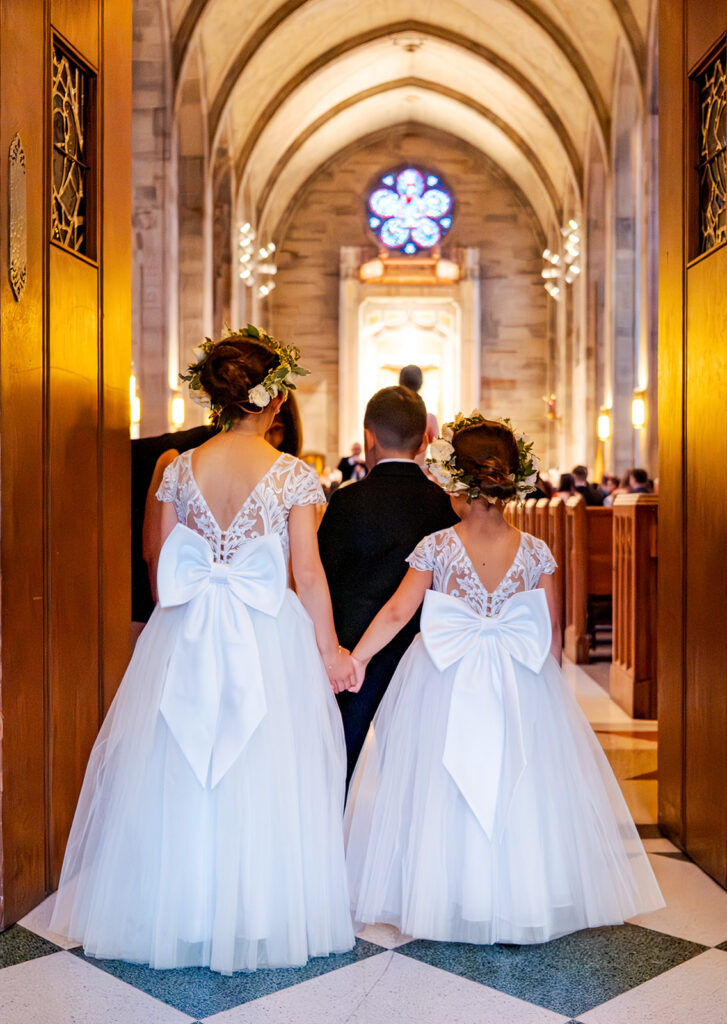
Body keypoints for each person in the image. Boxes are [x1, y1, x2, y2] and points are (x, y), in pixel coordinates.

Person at [51, 327, 357, 973]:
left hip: (185, 625)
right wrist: (329, 651)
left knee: (179, 764)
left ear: (216, 396)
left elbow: (159, 559)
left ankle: (180, 908)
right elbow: (307, 573)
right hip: (265, 629)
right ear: (273, 399)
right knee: (263, 764)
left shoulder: (175, 469)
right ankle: (256, 911)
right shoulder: (295, 477)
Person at [344, 416, 664, 944]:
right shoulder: (536, 551)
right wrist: (549, 693)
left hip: (442, 677)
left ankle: (446, 889)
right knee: (518, 778)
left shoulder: (437, 546)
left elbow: (400, 611)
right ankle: (521, 890)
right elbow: (550, 632)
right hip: (518, 676)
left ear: (453, 482)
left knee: (440, 779)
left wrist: (356, 658)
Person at [318, 386, 458, 783]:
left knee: (338, 762)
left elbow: (321, 581)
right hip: (424, 657)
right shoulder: (444, 505)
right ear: (425, 440)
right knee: (415, 773)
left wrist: (333, 652)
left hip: (349, 661)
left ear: (369, 437)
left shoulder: (346, 503)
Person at [399, 363, 438, 443]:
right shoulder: (429, 419)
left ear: (400, 382)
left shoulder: (390, 417)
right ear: (420, 384)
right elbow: (438, 449)